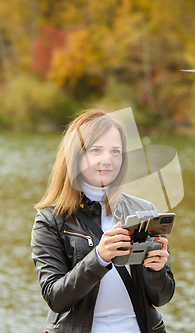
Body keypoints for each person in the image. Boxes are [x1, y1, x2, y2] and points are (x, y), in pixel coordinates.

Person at [31, 109, 175, 333]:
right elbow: (55, 298)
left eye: (115, 151)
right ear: (75, 156)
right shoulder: (50, 220)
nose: (107, 160)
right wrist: (99, 257)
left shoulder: (145, 211)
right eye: (96, 150)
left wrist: (156, 270)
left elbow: (162, 297)